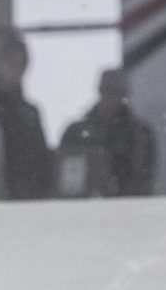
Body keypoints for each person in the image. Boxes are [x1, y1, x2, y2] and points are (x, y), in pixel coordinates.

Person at [0, 34, 55, 199]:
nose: (12, 70)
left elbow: (42, 166)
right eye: (8, 62)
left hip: (18, 199)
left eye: (19, 65)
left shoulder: (29, 114)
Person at [57, 68, 157, 197]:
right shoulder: (75, 132)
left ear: (124, 94)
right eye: (107, 90)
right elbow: (66, 178)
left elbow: (144, 179)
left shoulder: (140, 134)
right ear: (99, 91)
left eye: (116, 91)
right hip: (82, 210)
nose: (111, 97)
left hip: (125, 209)